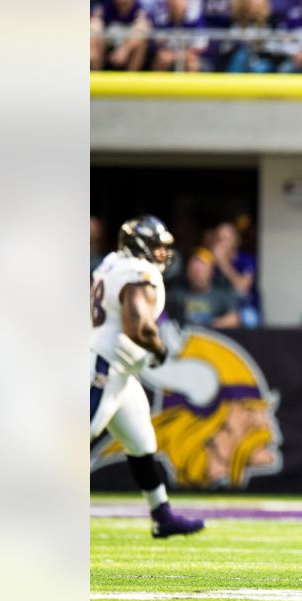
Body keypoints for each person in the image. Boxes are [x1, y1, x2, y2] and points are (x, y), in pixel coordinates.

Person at [90, 216, 206, 538]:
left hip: (119, 372)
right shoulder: (137, 272)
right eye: (156, 246)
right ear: (139, 245)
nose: (161, 254)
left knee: (141, 442)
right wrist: (158, 348)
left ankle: (162, 515)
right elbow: (138, 326)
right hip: (104, 367)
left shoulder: (110, 265)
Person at [170, 248, 242, 328]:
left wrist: (210, 325)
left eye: (201, 270)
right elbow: (163, 317)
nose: (197, 274)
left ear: (210, 271)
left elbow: (234, 319)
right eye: (193, 270)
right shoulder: (176, 295)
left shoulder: (221, 294)